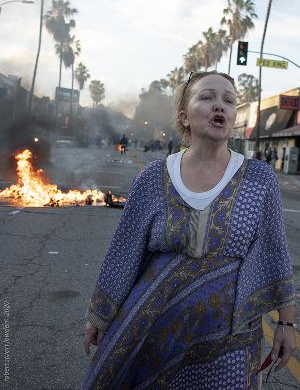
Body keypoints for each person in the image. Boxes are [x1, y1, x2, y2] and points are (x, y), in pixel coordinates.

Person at [82, 71, 296, 390]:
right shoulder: (154, 178)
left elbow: (275, 253)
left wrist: (286, 323)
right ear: (184, 115)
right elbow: (124, 252)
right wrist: (99, 315)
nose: (219, 106)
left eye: (228, 100)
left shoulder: (259, 179)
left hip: (228, 342)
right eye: (207, 97)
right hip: (152, 332)